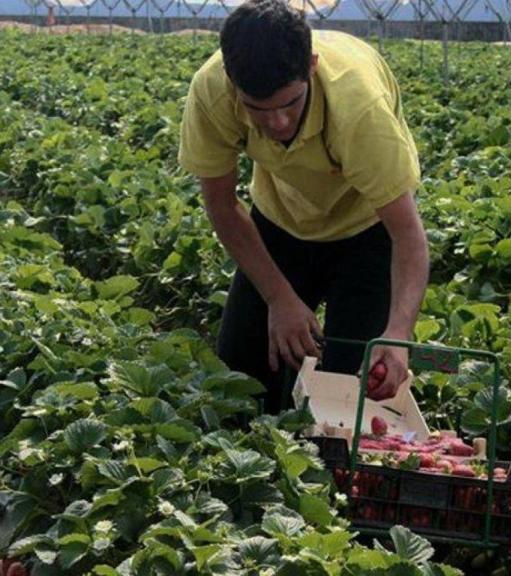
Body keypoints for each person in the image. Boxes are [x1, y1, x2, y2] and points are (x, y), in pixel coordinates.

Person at [178, 0, 429, 414]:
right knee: (242, 377)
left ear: (311, 66)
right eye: (259, 109)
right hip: (279, 223)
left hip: (366, 230)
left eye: (289, 104)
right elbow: (222, 206)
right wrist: (279, 298)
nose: (276, 123)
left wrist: (397, 334)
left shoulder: (360, 109)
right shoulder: (212, 92)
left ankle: (332, 470)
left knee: (354, 390)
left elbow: (408, 234)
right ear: (231, 80)